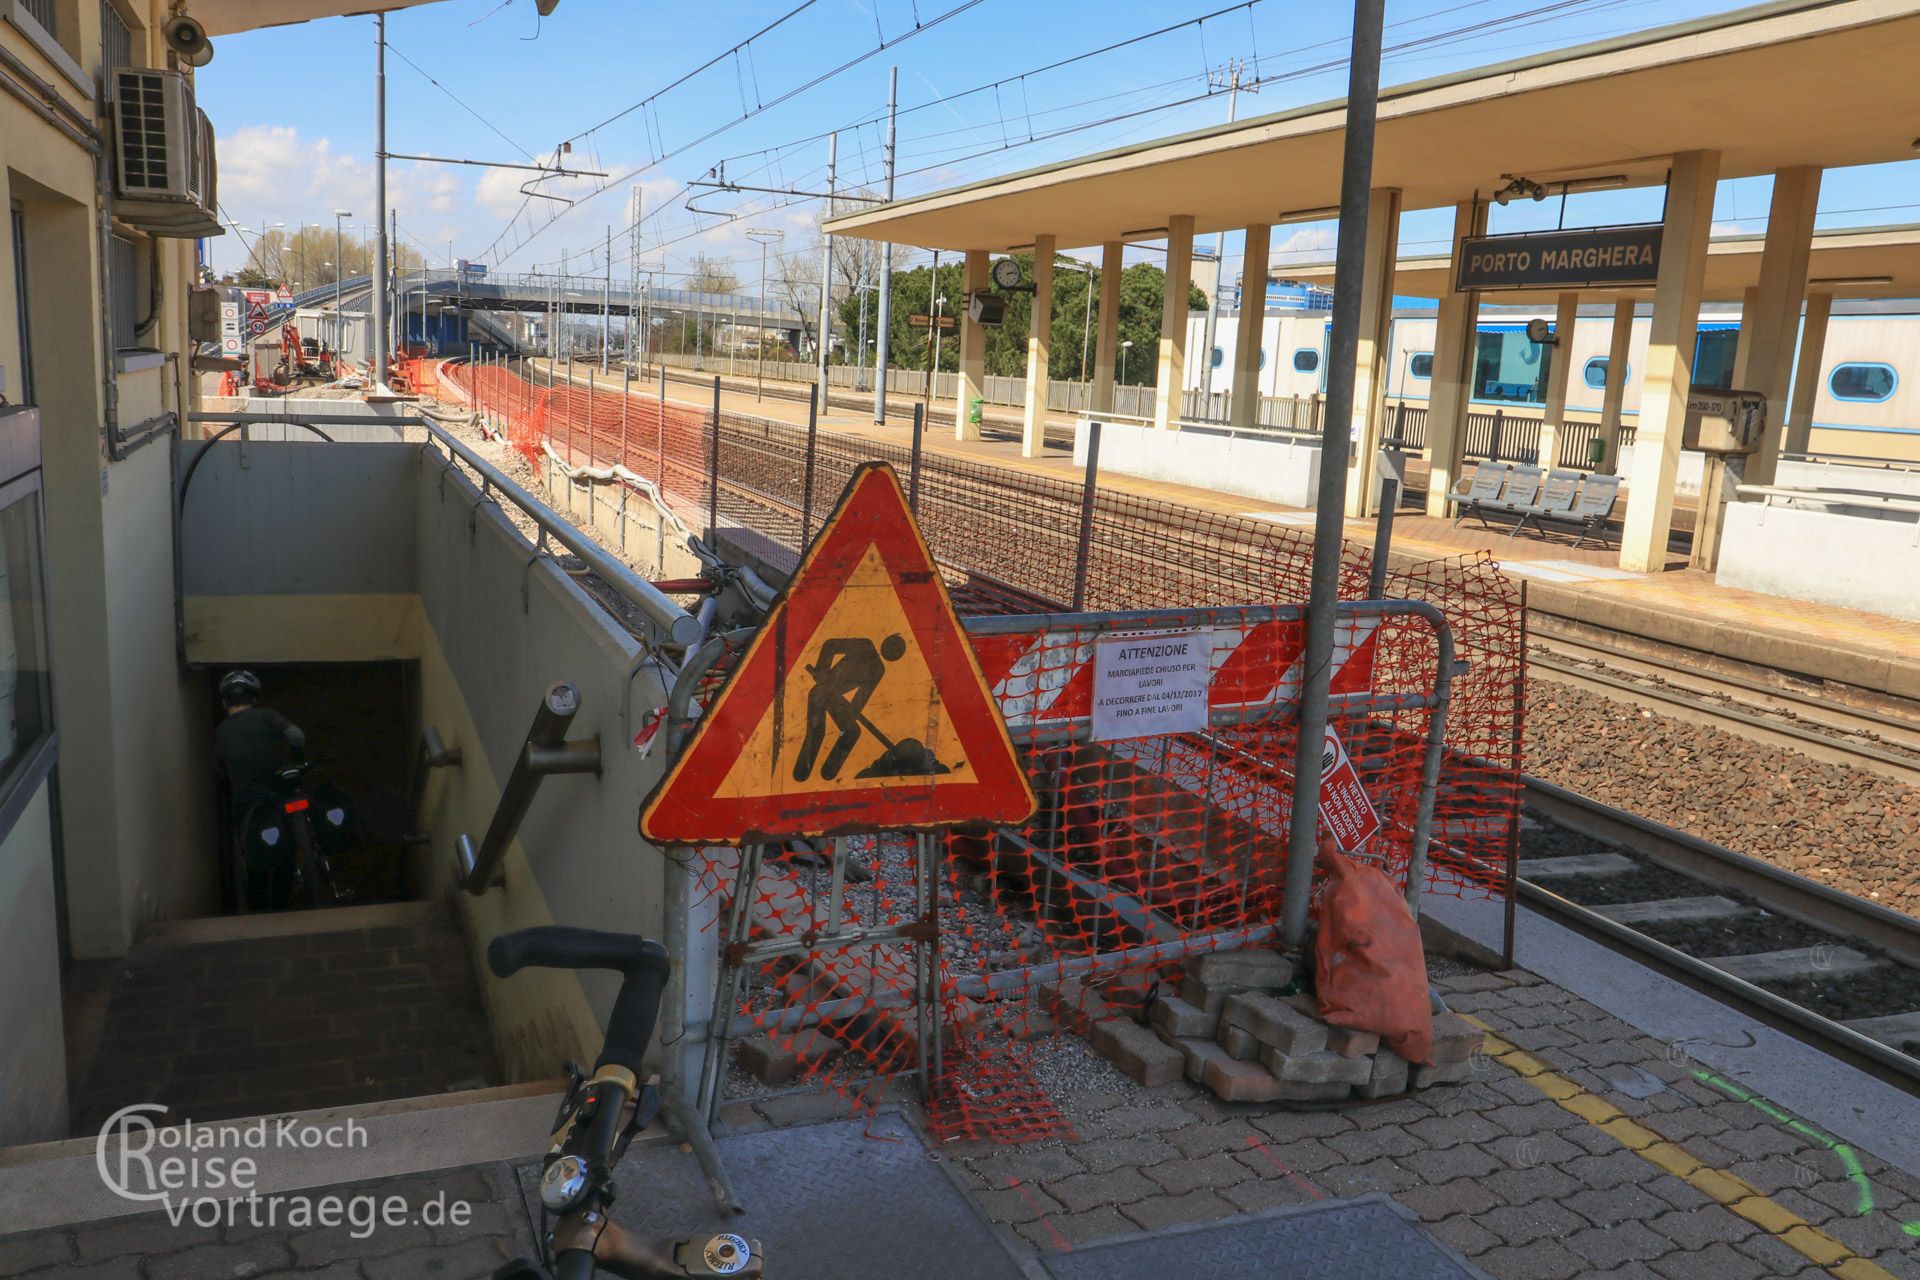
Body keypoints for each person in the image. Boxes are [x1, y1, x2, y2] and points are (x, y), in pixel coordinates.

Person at [213, 670, 306, 911]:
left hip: (246, 804)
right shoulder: (266, 716)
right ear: (254, 699)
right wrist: (297, 762)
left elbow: (221, 771)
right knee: (287, 851)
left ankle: (259, 916)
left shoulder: (221, 732)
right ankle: (283, 905)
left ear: (224, 703)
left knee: (255, 860)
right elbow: (296, 736)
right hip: (278, 794)